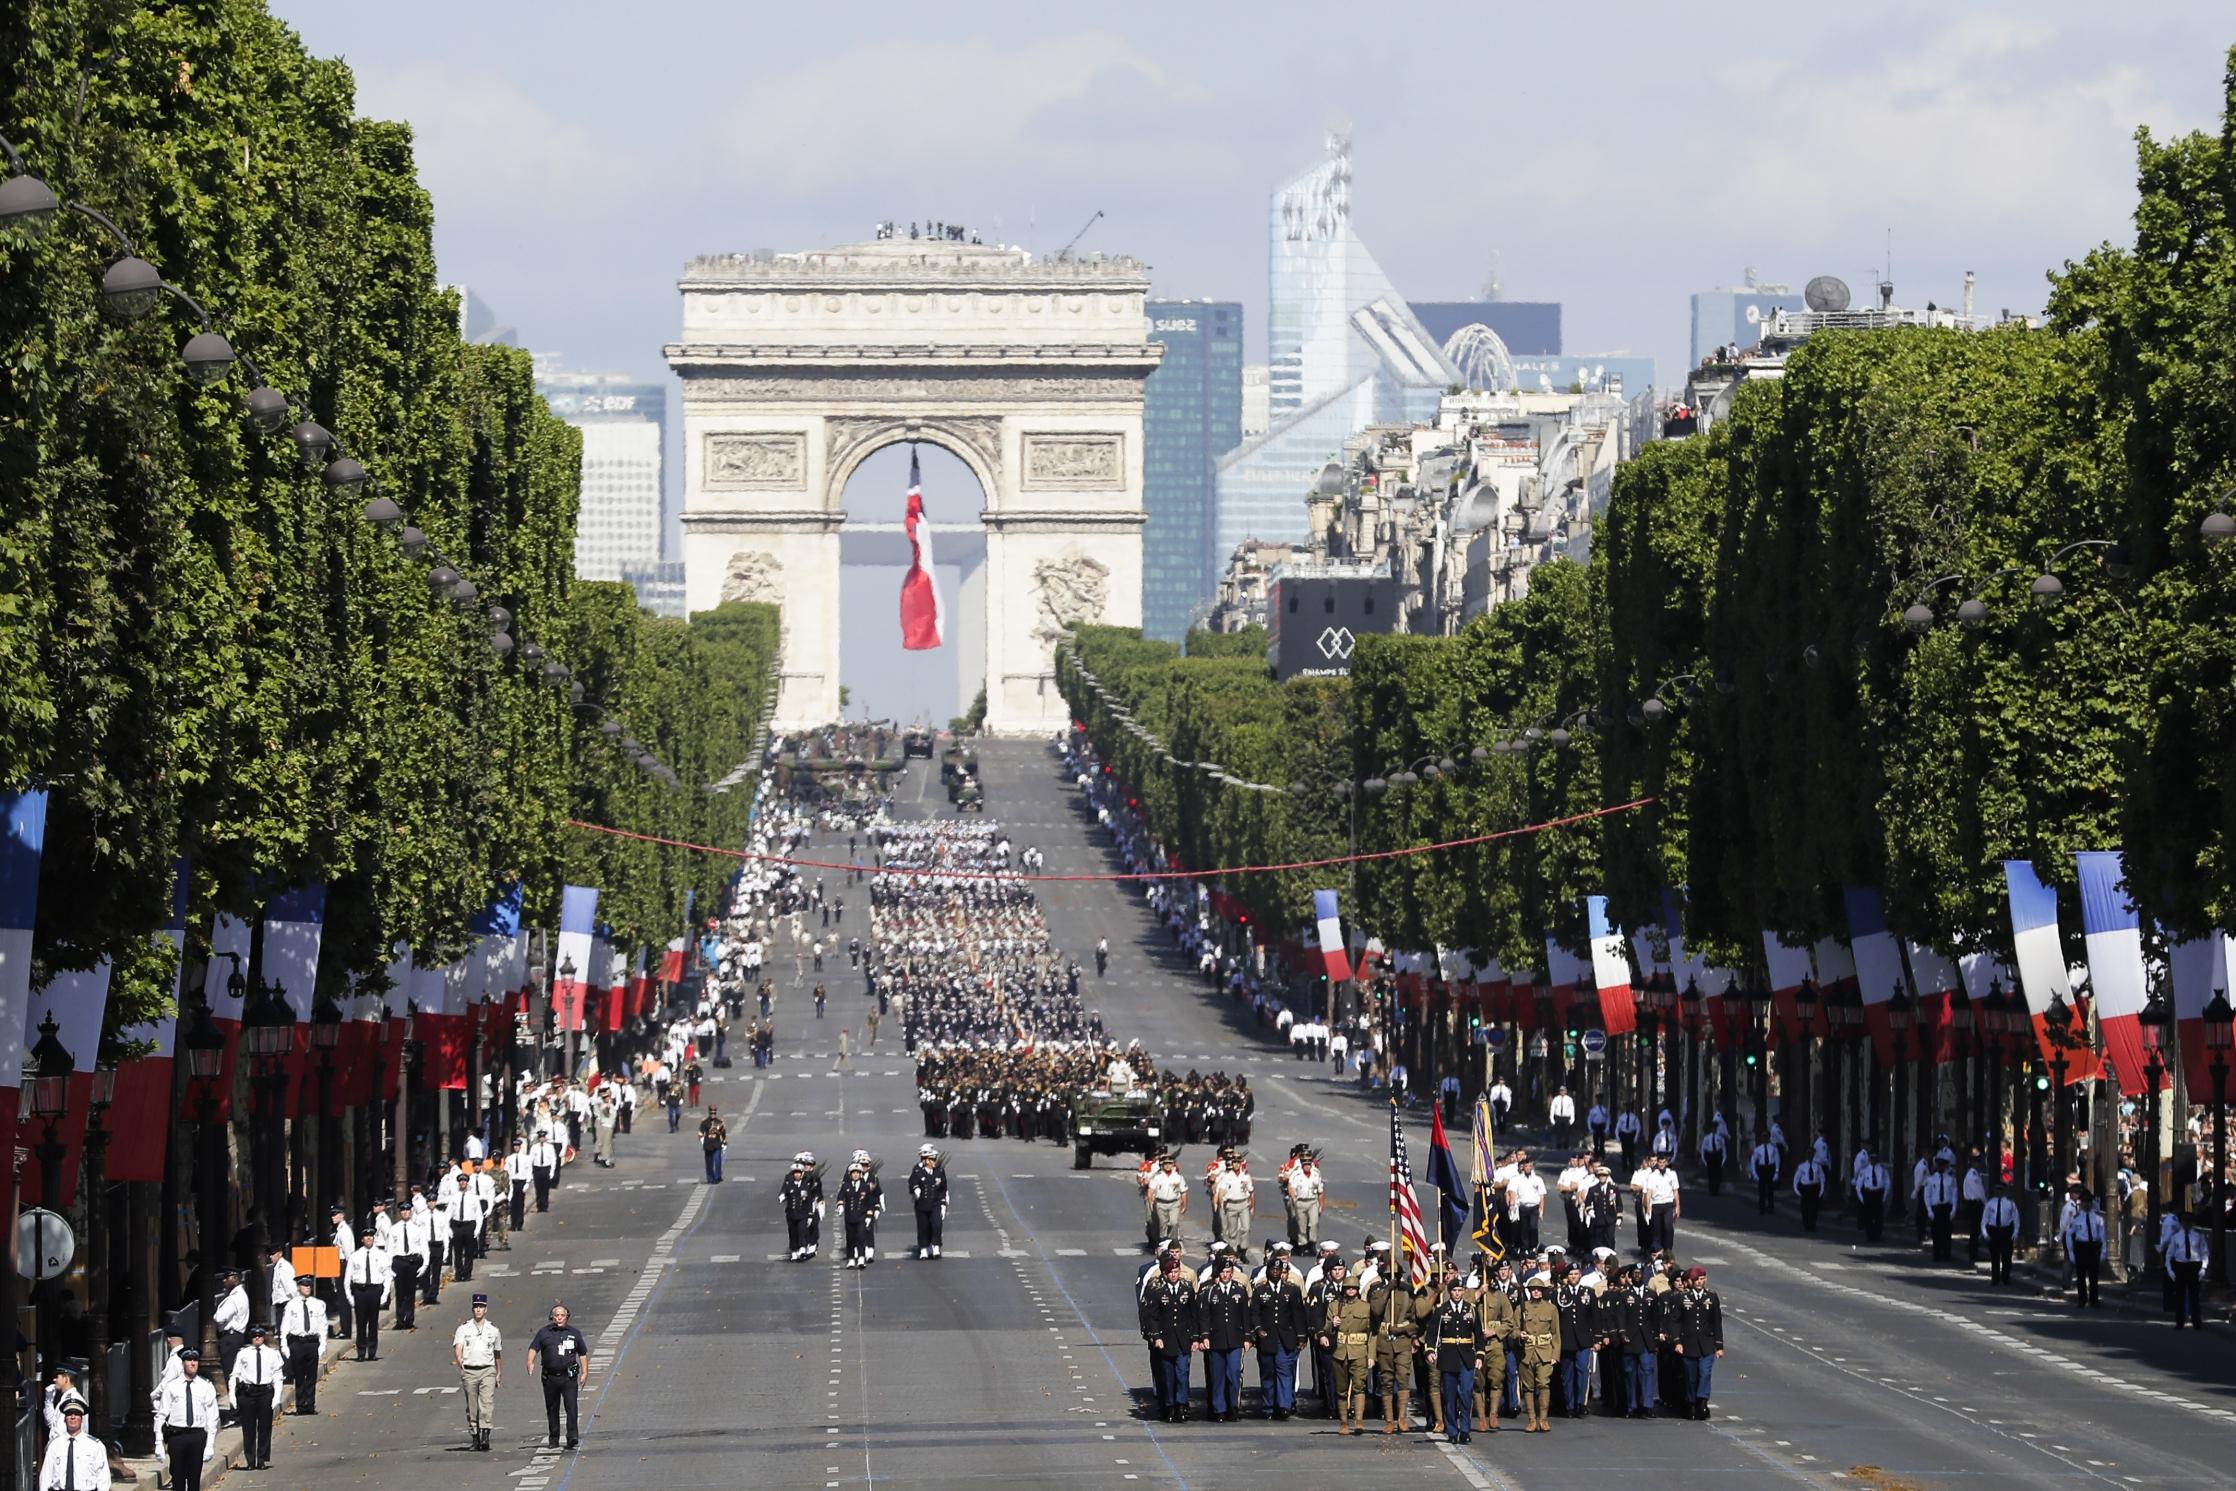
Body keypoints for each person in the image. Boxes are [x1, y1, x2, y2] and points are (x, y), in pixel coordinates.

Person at [1138, 1248, 1198, 1423]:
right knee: (1168, 1375)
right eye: (1171, 1272)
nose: (1174, 1275)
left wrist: (1195, 1338)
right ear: (1165, 1273)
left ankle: (1181, 1405)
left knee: (1182, 1373)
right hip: (1166, 1340)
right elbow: (1152, 1316)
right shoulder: (1158, 1290)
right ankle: (1170, 1406)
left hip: (1183, 1340)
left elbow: (1193, 1316)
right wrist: (1156, 1337)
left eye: (1176, 1271)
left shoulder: (1186, 1289)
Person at [154, 1347, 220, 1491]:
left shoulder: (206, 1386)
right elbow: (161, 1415)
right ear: (183, 1363)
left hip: (197, 1436)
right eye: (189, 1360)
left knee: (194, 1478)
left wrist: (210, 1444)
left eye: (195, 1360)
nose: (192, 1363)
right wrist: (158, 1442)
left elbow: (212, 1417)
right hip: (177, 1436)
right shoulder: (172, 1386)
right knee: (177, 1477)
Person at [1252, 1253, 1306, 1420]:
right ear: (1267, 1271)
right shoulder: (1260, 1290)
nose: (1275, 1272)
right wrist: (1258, 1329)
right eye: (1272, 1269)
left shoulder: (1292, 1290)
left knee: (1284, 1371)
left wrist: (1302, 1336)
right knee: (1268, 1373)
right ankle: (1269, 1406)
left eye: (1278, 1270)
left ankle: (1284, 1406)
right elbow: (1254, 1313)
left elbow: (1298, 1314)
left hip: (1286, 1338)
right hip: (1267, 1339)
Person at [1197, 1254, 1251, 1421]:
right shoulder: (1210, 1291)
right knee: (1218, 1376)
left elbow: (1245, 1315)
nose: (1226, 1275)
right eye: (1223, 1272)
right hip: (1216, 1339)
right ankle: (1219, 1408)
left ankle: (1233, 1406)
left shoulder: (1239, 1290)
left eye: (1229, 1271)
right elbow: (1205, 1316)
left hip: (1235, 1339)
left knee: (1234, 1373)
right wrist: (1204, 1336)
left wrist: (1247, 1337)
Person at [528, 1303, 589, 1449]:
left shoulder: (574, 1333)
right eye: (557, 1315)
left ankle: (572, 1436)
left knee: (571, 1406)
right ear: (552, 1317)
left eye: (562, 1315)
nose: (559, 1318)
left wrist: (585, 1372)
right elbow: (533, 1348)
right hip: (550, 1377)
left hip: (569, 1376)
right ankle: (554, 1437)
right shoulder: (544, 1333)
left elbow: (582, 1353)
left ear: (567, 1317)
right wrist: (530, 1361)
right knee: (552, 1408)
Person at [1669, 1265, 1725, 1419]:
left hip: (1707, 1344)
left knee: (1705, 1373)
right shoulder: (1682, 1298)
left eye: (1702, 1279)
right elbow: (1675, 1321)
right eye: (1697, 1280)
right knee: (1691, 1376)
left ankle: (1702, 1400)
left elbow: (1716, 1322)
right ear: (1691, 1281)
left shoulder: (1712, 1297)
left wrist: (1719, 1345)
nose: (1700, 1282)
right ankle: (1692, 1403)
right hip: (1689, 1344)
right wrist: (1677, 1342)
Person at [1431, 1276, 1481, 1444]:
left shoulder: (1471, 1310)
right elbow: (1432, 1334)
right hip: (1448, 1357)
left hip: (1466, 1357)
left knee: (1466, 1393)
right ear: (1449, 1292)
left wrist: (1480, 1355)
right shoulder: (1442, 1310)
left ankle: (1465, 1429)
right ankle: (1452, 1430)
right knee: (1450, 1396)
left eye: (1460, 1290)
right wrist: (1430, 1351)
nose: (1457, 1294)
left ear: (1464, 1292)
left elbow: (1479, 1335)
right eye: (1454, 1291)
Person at [452, 1292, 503, 1451]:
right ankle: (475, 1437)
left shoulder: (493, 1330)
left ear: (486, 1309)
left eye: (481, 1307)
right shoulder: (463, 1329)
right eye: (476, 1307)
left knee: (486, 1403)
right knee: (472, 1406)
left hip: (487, 1370)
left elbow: (497, 1353)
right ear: (472, 1309)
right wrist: (459, 1358)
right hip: (470, 1371)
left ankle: (485, 1435)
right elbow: (458, 1346)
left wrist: (498, 1372)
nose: (478, 1310)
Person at [232, 1322, 283, 1470]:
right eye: (254, 1336)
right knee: (248, 1429)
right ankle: (250, 1460)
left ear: (264, 1338)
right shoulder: (243, 1353)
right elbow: (235, 1374)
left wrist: (277, 1397)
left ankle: (261, 1458)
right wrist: (233, 1397)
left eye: (260, 1336)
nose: (257, 1338)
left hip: (265, 1392)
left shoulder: (272, 1354)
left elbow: (277, 1376)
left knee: (265, 1427)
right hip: (248, 1392)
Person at [1517, 1273, 1560, 1433]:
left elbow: (1555, 1333)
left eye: (1538, 1289)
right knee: (1528, 1387)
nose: (1536, 1292)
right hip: (1527, 1352)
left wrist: (1555, 1355)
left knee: (1543, 1383)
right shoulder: (1522, 1308)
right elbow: (1514, 1328)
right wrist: (1518, 1335)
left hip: (1544, 1351)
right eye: (1533, 1289)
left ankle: (1543, 1419)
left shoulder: (1551, 1308)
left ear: (1542, 1291)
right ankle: (1531, 1420)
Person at [281, 1274, 328, 1414]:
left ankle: (310, 1405)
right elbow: (285, 1327)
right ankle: (300, 1406)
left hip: (312, 1342)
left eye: (309, 1285)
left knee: (312, 1376)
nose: (307, 1288)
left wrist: (322, 1345)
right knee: (299, 1376)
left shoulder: (317, 1304)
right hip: (297, 1343)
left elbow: (323, 1326)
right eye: (304, 1285)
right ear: (298, 1287)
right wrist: (284, 1346)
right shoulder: (292, 1305)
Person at [38, 1394, 107, 1491]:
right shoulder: (55, 1446)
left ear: (82, 1419)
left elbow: (103, 1480)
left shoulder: (95, 1446)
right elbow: (46, 1477)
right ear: (64, 1419)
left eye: (77, 1414)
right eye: (69, 1414)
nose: (73, 1417)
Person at [346, 1225, 391, 1360]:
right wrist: (350, 1297)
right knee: (361, 1323)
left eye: (371, 1236)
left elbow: (387, 1276)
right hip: (360, 1291)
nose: (369, 1239)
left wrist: (385, 1294)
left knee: (373, 1322)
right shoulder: (355, 1256)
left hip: (374, 1290)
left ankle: (372, 1351)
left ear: (374, 1239)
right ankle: (360, 1352)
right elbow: (347, 1278)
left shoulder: (381, 1255)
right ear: (362, 1240)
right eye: (366, 1237)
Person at [2062, 1188, 2106, 1307]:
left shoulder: (2097, 1218)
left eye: (2089, 1202)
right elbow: (2069, 1235)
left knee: (2093, 1277)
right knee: (2080, 1276)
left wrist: (2103, 1252)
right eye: (2085, 1202)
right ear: (2081, 1203)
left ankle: (2094, 1300)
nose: (2087, 1204)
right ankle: (2082, 1300)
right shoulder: (2076, 1219)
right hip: (2081, 1248)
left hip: (2093, 1248)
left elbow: (2102, 1236)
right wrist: (2071, 1252)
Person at [838, 1152, 883, 1267]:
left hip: (862, 1215)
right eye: (854, 1173)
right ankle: (851, 1259)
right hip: (850, 1216)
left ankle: (862, 1257)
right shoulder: (846, 1186)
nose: (856, 1175)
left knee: (862, 1236)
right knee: (851, 1238)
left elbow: (871, 1199)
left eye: (858, 1172)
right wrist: (840, 1206)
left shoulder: (866, 1185)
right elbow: (841, 1195)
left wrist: (873, 1211)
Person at [2166, 1212, 2210, 1326]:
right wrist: (2170, 1270)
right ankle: (2179, 1322)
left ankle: (2196, 1321)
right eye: (2185, 1221)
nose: (2187, 1224)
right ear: (2181, 1223)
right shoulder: (2176, 1237)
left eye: (2189, 1221)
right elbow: (2169, 1254)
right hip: (2180, 1266)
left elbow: (2204, 1252)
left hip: (2194, 1266)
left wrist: (2203, 1267)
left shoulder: (2198, 1236)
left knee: (2194, 1295)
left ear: (2192, 1223)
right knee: (2179, 1295)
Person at [391, 1200, 429, 1329]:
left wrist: (425, 1265)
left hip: (412, 1261)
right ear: (400, 1212)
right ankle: (400, 1320)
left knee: (410, 1292)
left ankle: (409, 1319)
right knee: (400, 1292)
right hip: (399, 1261)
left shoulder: (418, 1229)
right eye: (403, 1210)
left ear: (411, 1212)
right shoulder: (394, 1229)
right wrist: (388, 1268)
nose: (405, 1212)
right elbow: (389, 1249)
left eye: (407, 1210)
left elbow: (424, 1248)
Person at [908, 1145, 948, 1259]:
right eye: (932, 1159)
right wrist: (916, 1189)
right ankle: (924, 1248)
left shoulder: (939, 1171)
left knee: (937, 1225)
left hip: (935, 1204)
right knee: (923, 1227)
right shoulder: (918, 1171)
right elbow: (912, 1181)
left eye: (935, 1159)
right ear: (926, 1160)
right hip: (922, 1205)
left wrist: (944, 1203)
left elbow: (943, 1188)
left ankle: (936, 1246)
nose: (934, 1162)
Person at [1981, 1183, 2021, 1285]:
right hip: (1994, 1231)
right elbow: (1985, 1219)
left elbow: (2016, 1218)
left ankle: (2005, 1278)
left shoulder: (2010, 1204)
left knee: (2006, 1257)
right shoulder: (1990, 1204)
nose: (1998, 1192)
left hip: (2006, 1231)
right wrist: (1985, 1233)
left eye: (2001, 1190)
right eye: (1997, 1190)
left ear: (2004, 1191)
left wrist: (2015, 1231)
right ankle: (1995, 1279)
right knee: (1995, 1257)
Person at [451, 1172, 486, 1280]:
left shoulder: (473, 1198)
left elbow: (479, 1215)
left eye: (464, 1181)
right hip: (457, 1225)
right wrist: (447, 1228)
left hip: (469, 1225)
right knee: (457, 1252)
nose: (462, 1183)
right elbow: (449, 1213)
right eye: (460, 1181)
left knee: (469, 1251)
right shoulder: (454, 1197)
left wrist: (477, 1229)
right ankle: (458, 1273)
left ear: (467, 1183)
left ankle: (467, 1273)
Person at [1856, 1151, 1892, 1242]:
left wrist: (1884, 1197)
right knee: (1868, 1217)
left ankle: (1877, 1235)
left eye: (1875, 1158)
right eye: (1872, 1158)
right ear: (1869, 1159)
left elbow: (1887, 1183)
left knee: (1879, 1217)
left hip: (1878, 1194)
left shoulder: (1882, 1170)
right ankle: (1870, 1236)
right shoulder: (1864, 1170)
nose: (1873, 1160)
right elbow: (1858, 1186)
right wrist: (1862, 1199)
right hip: (1868, 1194)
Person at [1792, 1149, 1828, 1231]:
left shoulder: (1817, 1166)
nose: (1810, 1156)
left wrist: (1822, 1189)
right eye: (1808, 1154)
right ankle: (1806, 1224)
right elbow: (1796, 1178)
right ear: (1806, 1156)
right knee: (1805, 1207)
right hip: (1805, 1188)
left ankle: (1812, 1225)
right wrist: (1796, 1189)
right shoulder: (1802, 1166)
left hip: (1814, 1188)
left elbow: (1822, 1178)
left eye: (1811, 1154)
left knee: (1814, 1208)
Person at [528, 1130, 561, 1212]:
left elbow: (553, 1159)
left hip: (546, 1168)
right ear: (538, 1138)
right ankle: (539, 1206)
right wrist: (530, 1172)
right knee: (538, 1188)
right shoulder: (534, 1147)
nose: (542, 1139)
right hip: (537, 1169)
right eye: (540, 1137)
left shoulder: (549, 1147)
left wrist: (552, 1171)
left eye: (543, 1137)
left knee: (545, 1189)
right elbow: (530, 1159)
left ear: (545, 1138)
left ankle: (545, 1206)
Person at [1750, 1134, 1779, 1214]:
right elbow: (1753, 1161)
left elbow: (1777, 1160)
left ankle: (1770, 1208)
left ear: (1768, 1138)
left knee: (1770, 1190)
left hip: (1770, 1168)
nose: (1765, 1139)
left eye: (1766, 1137)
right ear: (1761, 1139)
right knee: (1761, 1190)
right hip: (1762, 1169)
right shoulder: (1758, 1149)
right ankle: (1762, 1208)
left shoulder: (1773, 1148)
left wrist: (1776, 1172)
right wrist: (1754, 1173)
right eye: (1763, 1137)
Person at [699, 1106, 729, 1184]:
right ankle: (710, 1178)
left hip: (717, 1144)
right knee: (709, 1163)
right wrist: (702, 1141)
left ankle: (717, 1177)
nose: (713, 1114)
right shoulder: (704, 1122)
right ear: (709, 1113)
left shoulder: (720, 1122)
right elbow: (700, 1133)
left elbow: (723, 1134)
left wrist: (724, 1143)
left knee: (718, 1161)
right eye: (711, 1113)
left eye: (714, 1113)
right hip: (708, 1144)